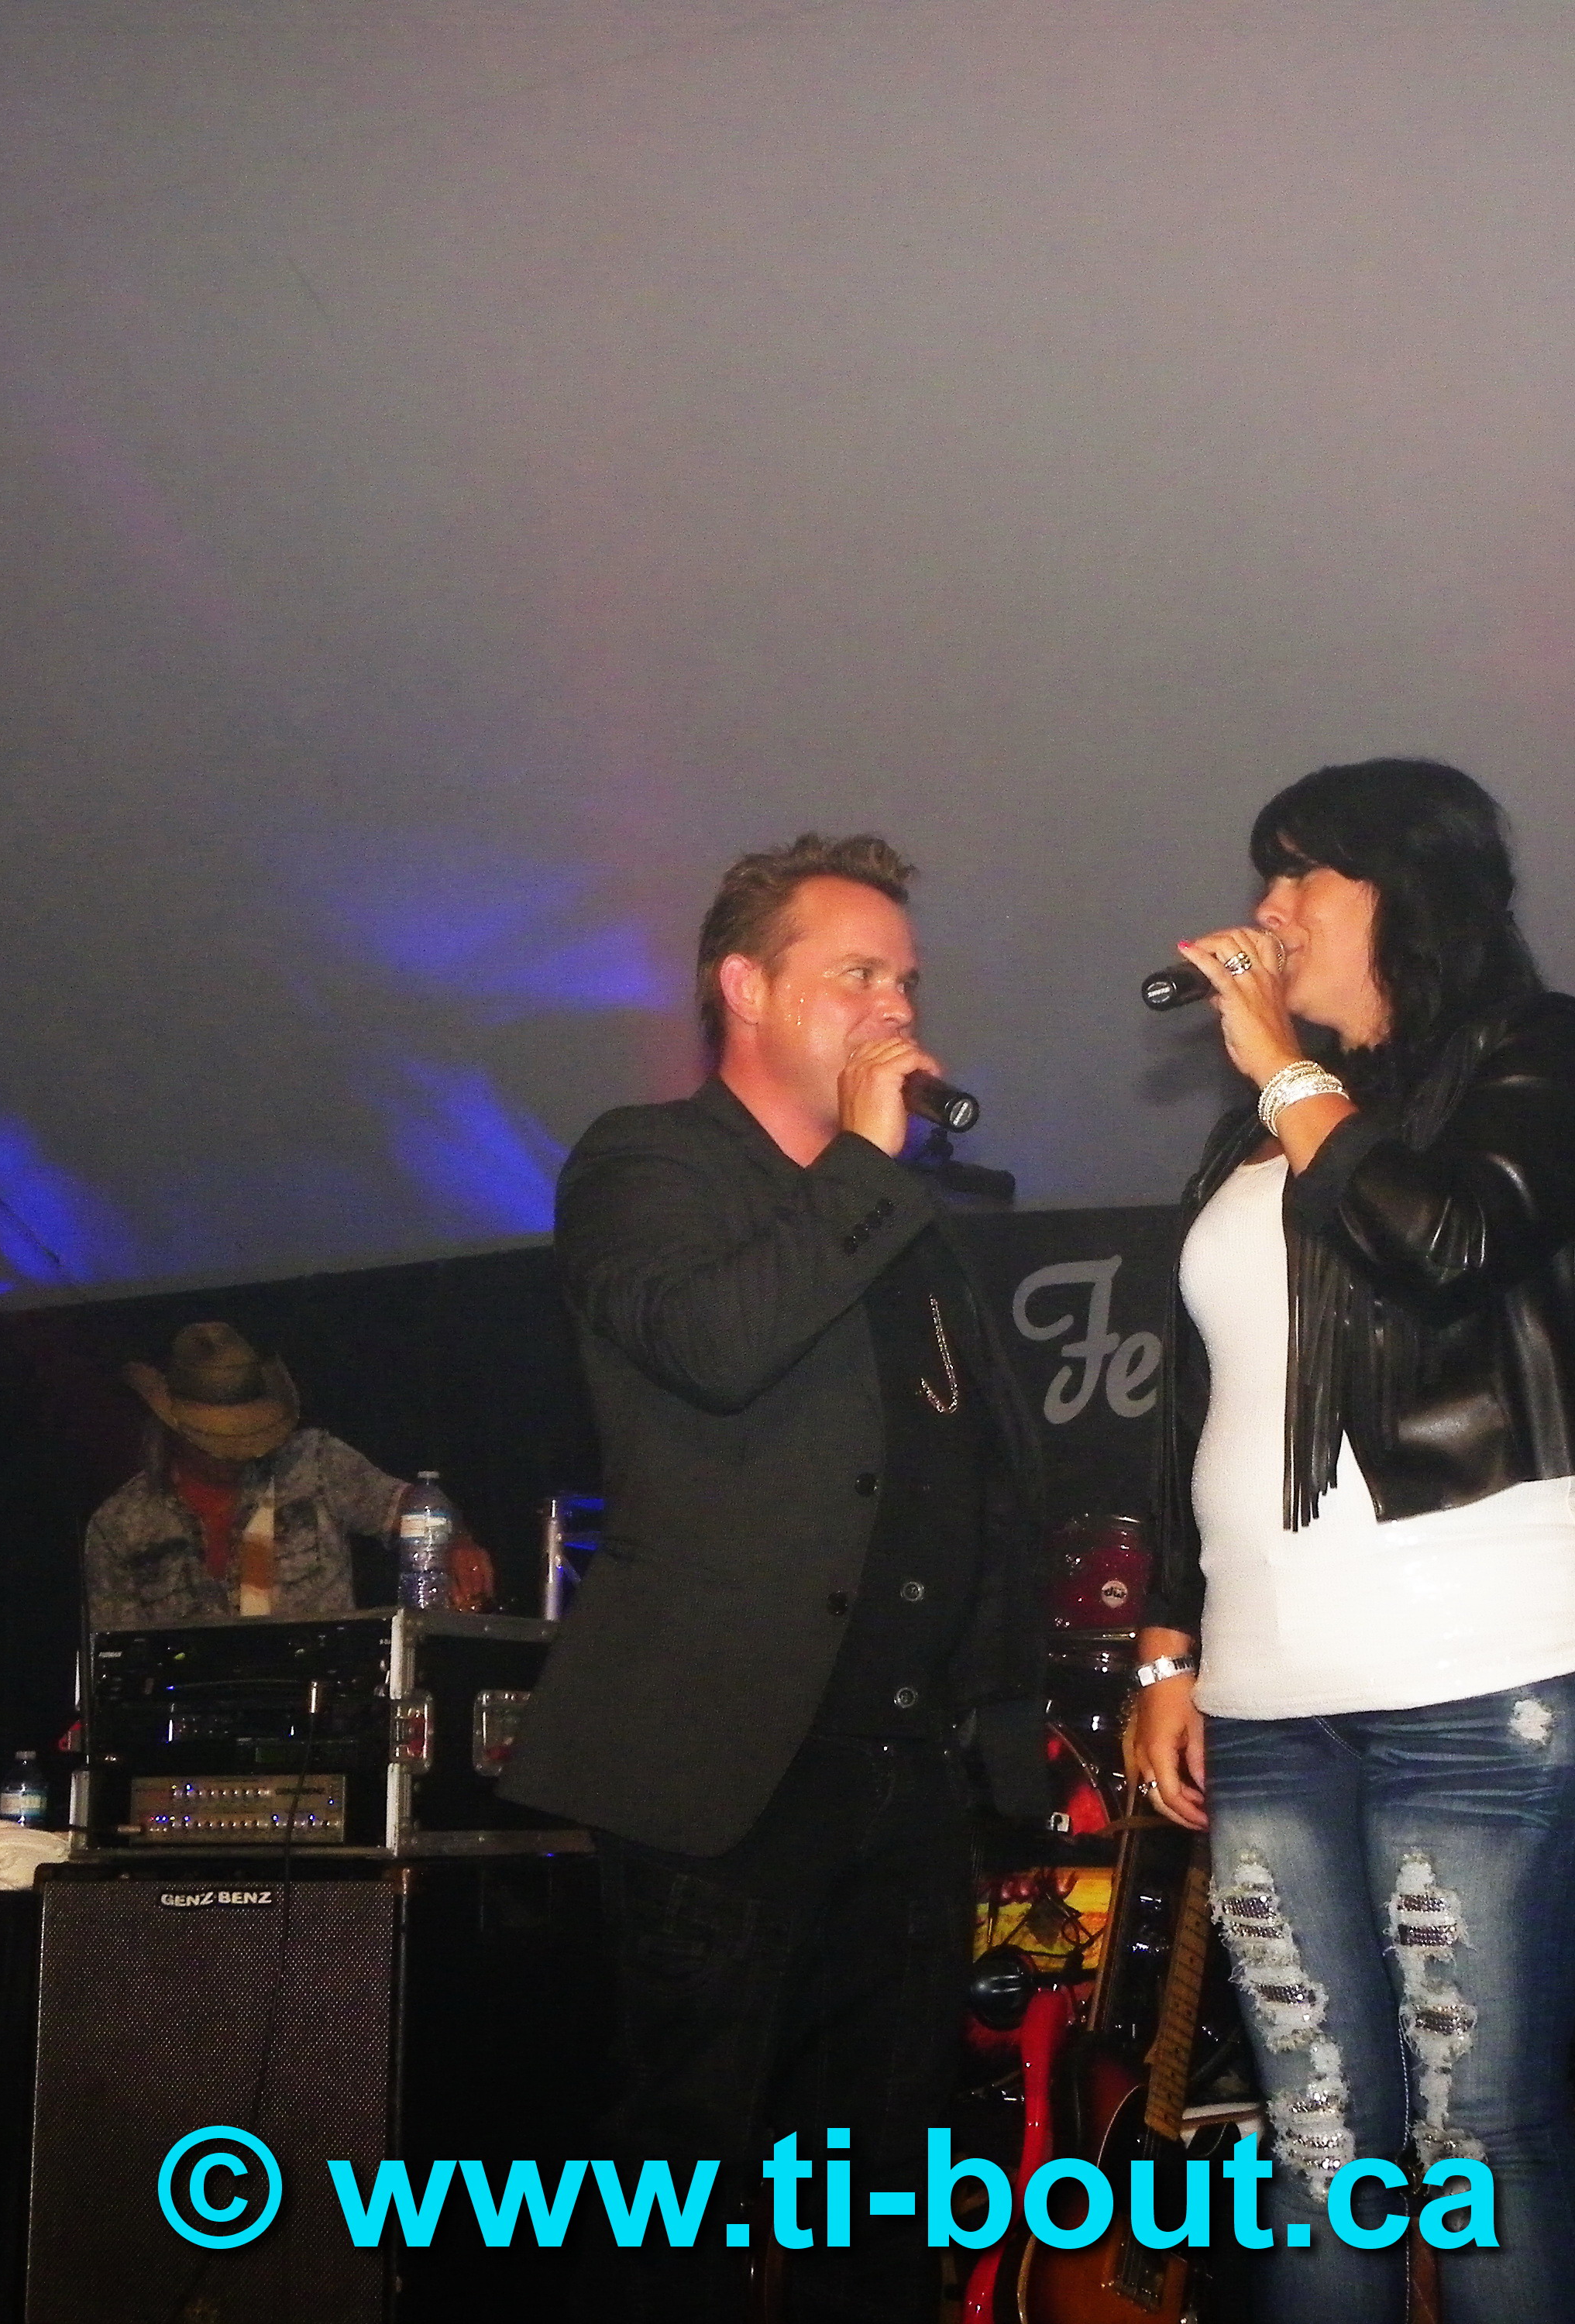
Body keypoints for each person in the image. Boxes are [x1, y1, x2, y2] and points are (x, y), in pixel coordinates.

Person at [1123, 758, 1575, 2324]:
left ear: (1406, 891)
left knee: (1476, 2134)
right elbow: (1194, 1400)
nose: (1267, 907)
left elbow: (1448, 1241)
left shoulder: (1534, 1053)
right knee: (1313, 2140)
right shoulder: (1254, 1130)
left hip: (1492, 1672)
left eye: (1305, 874)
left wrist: (1292, 1077)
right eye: (1264, 874)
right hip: (1268, 1702)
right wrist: (1168, 1645)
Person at [497, 833, 1043, 2324]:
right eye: (856, 974)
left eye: (906, 980)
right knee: (681, 2167)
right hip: (724, 1764)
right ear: (744, 987)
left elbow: (981, 1466)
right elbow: (715, 1349)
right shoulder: (648, 1162)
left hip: (903, 1771)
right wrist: (866, 1163)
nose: (895, 1006)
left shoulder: (902, 1220)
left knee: (877, 2186)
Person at [81, 1318, 491, 1634]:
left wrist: (458, 1541)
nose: (233, 1450)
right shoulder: (118, 1526)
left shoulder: (315, 1463)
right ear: (171, 1427)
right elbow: (114, 1658)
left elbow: (411, 1505)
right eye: (215, 1436)